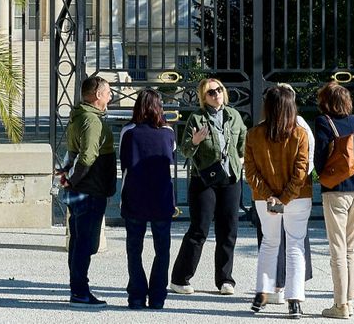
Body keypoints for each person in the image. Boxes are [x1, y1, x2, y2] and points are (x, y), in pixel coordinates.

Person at [170, 78, 247, 296]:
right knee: (199, 230)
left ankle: (225, 279)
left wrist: (239, 160)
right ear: (204, 97)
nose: (217, 94)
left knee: (228, 229)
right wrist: (194, 142)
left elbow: (243, 140)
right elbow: (184, 151)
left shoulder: (234, 116)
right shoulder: (196, 118)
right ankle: (179, 279)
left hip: (230, 179)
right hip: (204, 180)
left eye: (220, 90)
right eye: (211, 92)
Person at [244, 85, 312, 319]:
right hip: (297, 197)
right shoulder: (300, 134)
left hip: (265, 200)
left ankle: (261, 293)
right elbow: (301, 171)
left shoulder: (253, 134)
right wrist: (284, 197)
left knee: (269, 244)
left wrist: (270, 196)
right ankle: (294, 300)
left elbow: (250, 172)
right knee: (295, 246)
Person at [314, 81, 354, 319]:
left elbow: (319, 157)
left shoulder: (323, 121)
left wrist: (324, 173)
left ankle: (340, 306)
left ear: (326, 102)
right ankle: (349, 300)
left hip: (336, 190)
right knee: (351, 249)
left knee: (337, 249)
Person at [59, 76, 117, 308]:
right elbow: (87, 157)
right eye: (108, 92)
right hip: (90, 189)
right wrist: (73, 180)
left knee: (79, 240)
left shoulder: (79, 115)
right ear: (97, 96)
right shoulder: (92, 120)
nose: (111, 96)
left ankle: (77, 288)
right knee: (86, 243)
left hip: (82, 189)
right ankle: (80, 292)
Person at [119, 88, 176, 310]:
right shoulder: (168, 132)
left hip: (135, 195)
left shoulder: (129, 131)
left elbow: (124, 163)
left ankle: (136, 295)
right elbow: (171, 157)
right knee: (162, 249)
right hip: (161, 197)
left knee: (134, 249)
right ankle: (158, 296)